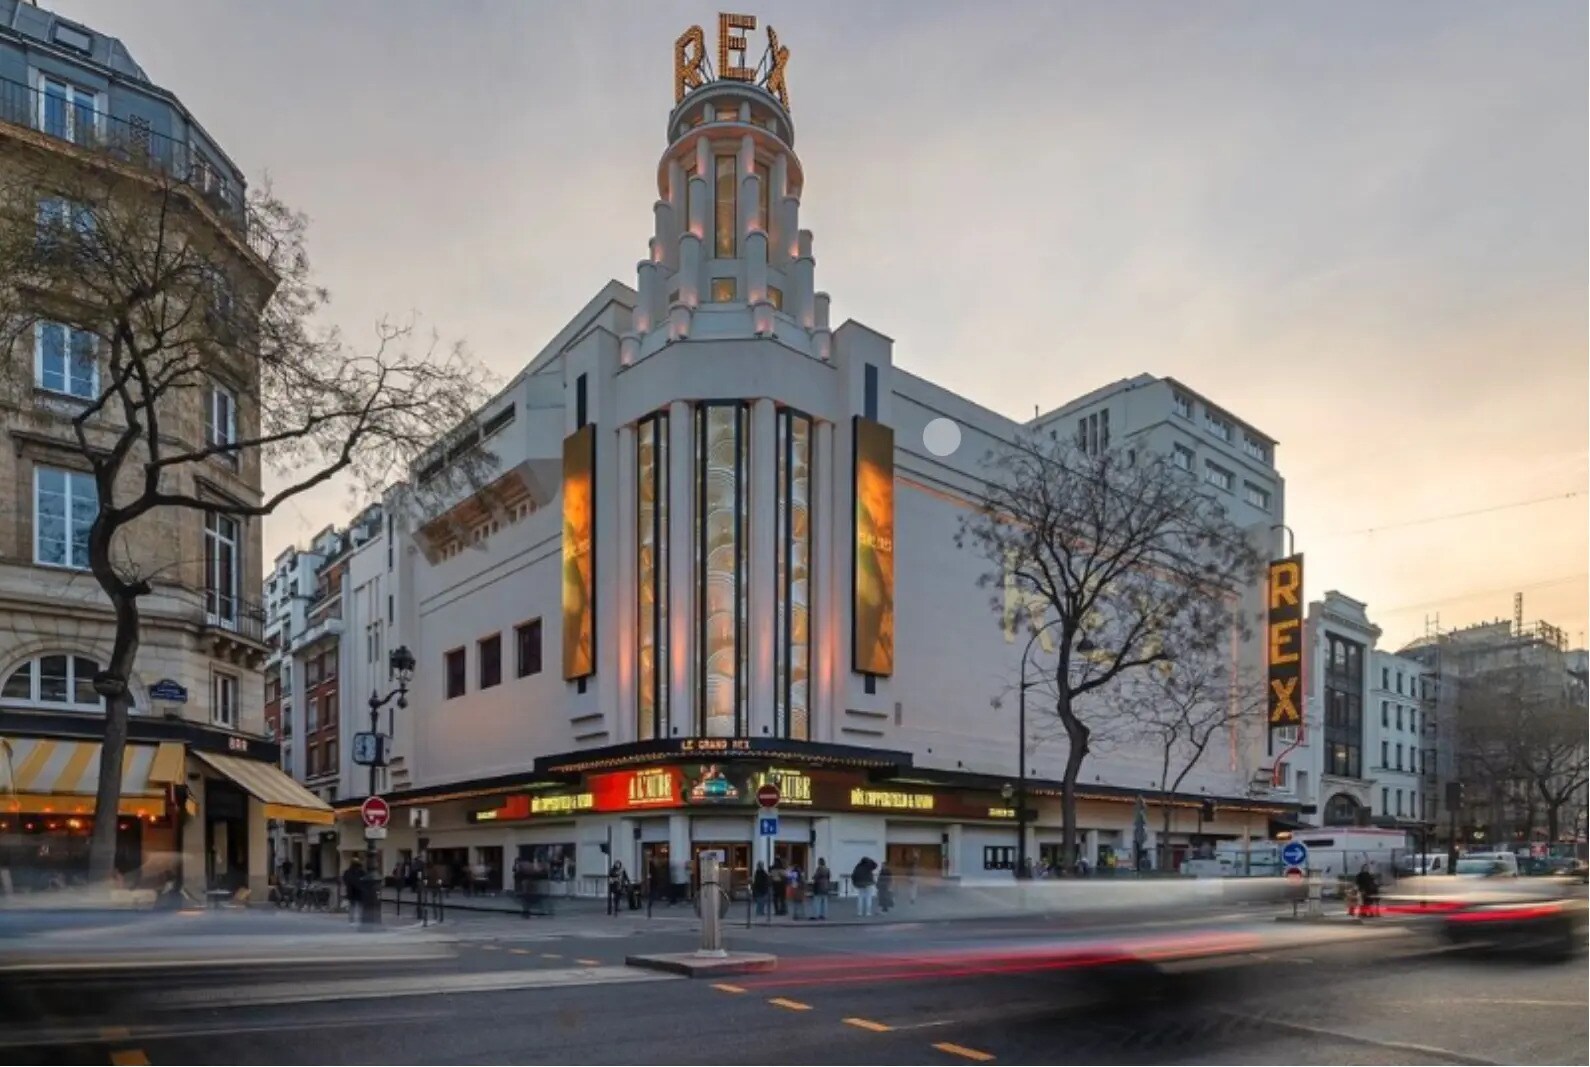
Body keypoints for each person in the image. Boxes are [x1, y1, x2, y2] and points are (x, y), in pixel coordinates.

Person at [342, 857, 364, 924]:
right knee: (358, 906)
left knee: (353, 907)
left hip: (352, 891)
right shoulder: (361, 872)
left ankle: (352, 920)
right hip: (358, 891)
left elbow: (345, 880)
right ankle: (359, 920)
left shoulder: (347, 872)